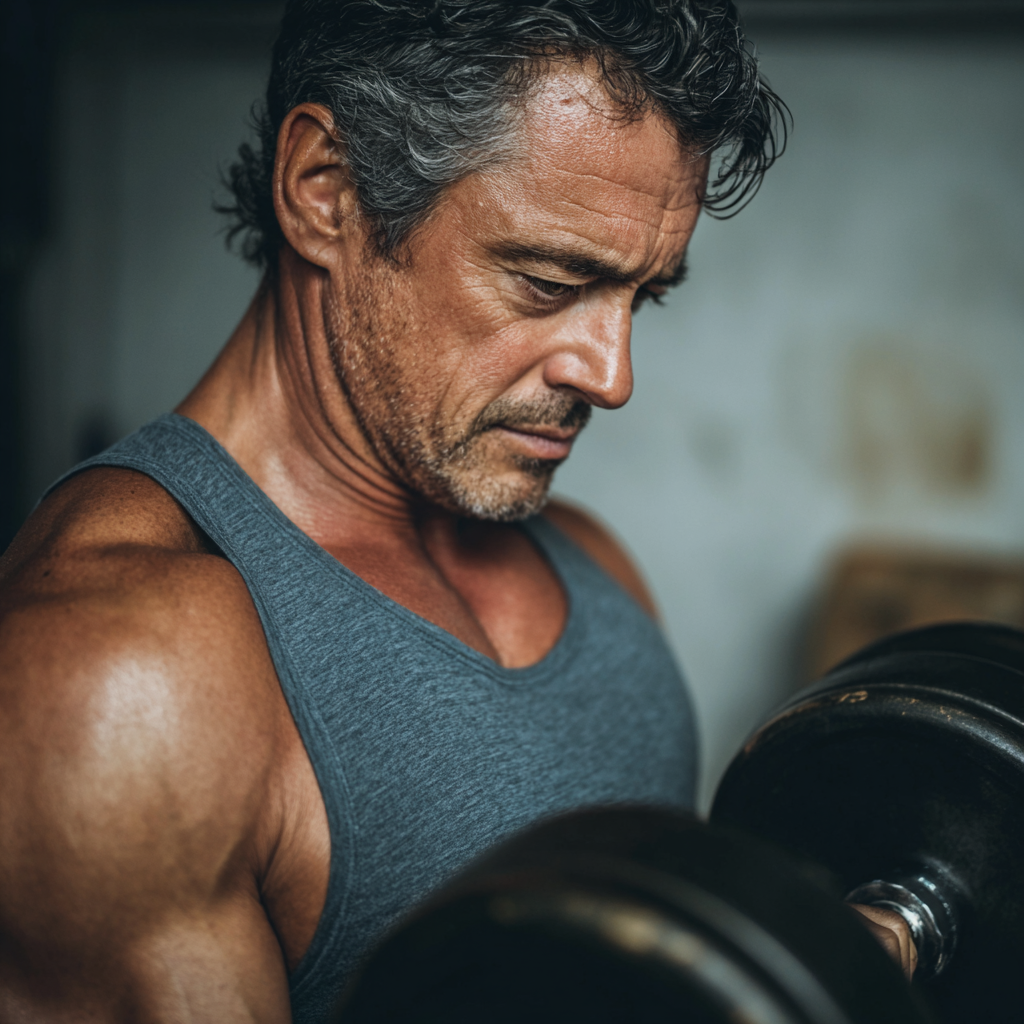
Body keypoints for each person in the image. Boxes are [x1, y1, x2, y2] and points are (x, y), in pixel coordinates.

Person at [0, 1, 910, 1020]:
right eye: (548, 280)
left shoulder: (593, 567)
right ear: (325, 190)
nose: (612, 376)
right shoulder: (118, 681)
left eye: (642, 296)